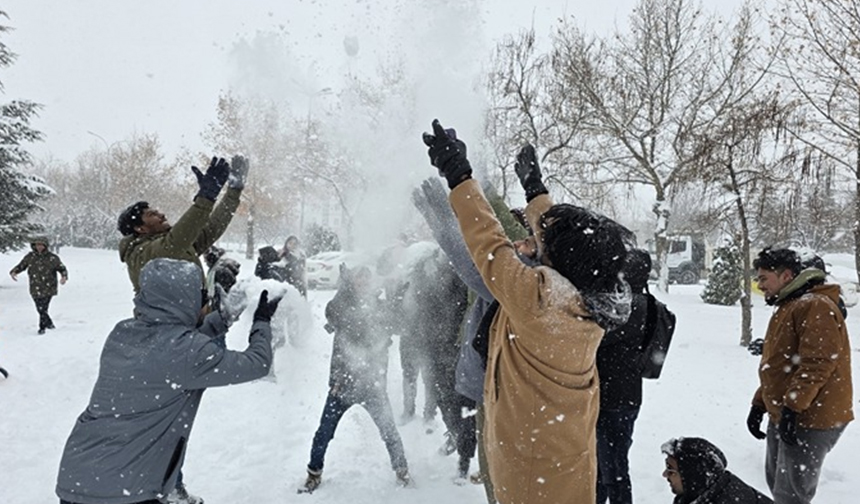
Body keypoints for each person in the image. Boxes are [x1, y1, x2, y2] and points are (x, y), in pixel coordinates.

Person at [422, 120, 633, 504]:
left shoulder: (539, 303)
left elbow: (488, 241)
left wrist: (458, 175)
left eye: (543, 245)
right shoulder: (592, 297)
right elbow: (564, 248)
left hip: (530, 472)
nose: (536, 245)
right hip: (566, 460)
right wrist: (535, 190)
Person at [55, 258, 280, 504]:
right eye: (202, 296)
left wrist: (222, 319)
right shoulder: (188, 353)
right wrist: (262, 321)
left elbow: (170, 350)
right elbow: (257, 364)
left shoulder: (123, 333)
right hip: (125, 490)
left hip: (78, 475)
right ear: (186, 300)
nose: (205, 302)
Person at [746, 247, 853, 504]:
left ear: (786, 276)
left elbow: (817, 364)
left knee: (791, 495)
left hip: (812, 416)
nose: (760, 286)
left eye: (763, 278)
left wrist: (793, 408)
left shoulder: (814, 305)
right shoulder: (789, 305)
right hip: (788, 410)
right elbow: (778, 365)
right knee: (778, 485)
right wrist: (760, 403)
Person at [300, 265, 411, 493]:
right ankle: (314, 473)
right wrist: (343, 289)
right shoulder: (343, 305)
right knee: (324, 432)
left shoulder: (379, 307)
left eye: (365, 279)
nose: (362, 283)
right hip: (343, 384)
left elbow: (397, 325)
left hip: (373, 385)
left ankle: (402, 470)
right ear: (351, 282)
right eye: (357, 279)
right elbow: (331, 312)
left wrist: (397, 299)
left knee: (389, 431)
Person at [117, 155, 248, 293]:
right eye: (152, 215)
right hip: (165, 315)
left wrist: (234, 191)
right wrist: (205, 198)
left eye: (157, 211)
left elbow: (212, 228)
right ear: (140, 228)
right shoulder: (139, 254)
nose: (161, 214)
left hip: (193, 313)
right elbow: (173, 243)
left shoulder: (178, 245)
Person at [596, 249, 652, 504]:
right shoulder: (647, 303)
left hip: (613, 398)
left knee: (614, 468)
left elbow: (599, 339)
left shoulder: (631, 307)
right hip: (627, 395)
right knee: (607, 463)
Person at [661, 437, 773, 504]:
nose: (665, 474)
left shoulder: (726, 499)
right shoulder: (705, 490)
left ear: (691, 475)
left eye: (671, 470)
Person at [9, 237, 68, 334]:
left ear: (45, 246)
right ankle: (49, 323)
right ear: (34, 246)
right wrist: (14, 271)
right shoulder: (30, 257)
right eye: (37, 245)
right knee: (39, 308)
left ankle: (42, 328)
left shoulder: (52, 258)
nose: (39, 247)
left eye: (41, 244)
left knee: (43, 308)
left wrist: (64, 276)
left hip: (49, 286)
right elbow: (21, 266)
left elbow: (62, 268)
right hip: (34, 286)